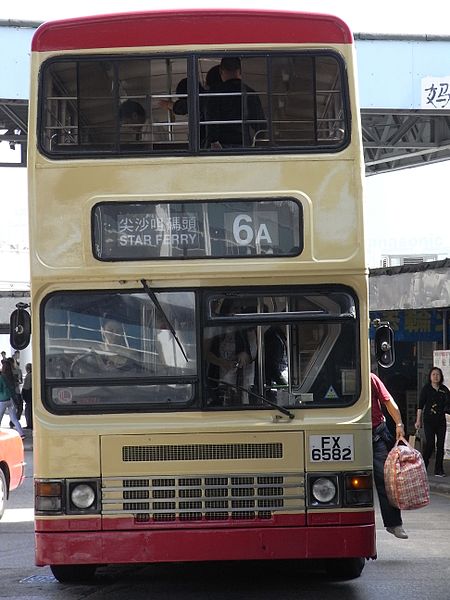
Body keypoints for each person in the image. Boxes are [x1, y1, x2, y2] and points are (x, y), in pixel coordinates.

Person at [371, 372, 408, 539]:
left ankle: (394, 523)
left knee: (386, 479)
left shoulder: (370, 378)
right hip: (347, 436)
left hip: (376, 434)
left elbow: (388, 400)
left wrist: (399, 423)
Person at [206, 57, 266, 148]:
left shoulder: (215, 92)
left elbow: (211, 120)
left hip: (222, 144)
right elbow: (260, 124)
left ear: (221, 71)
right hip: (244, 143)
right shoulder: (250, 92)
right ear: (240, 71)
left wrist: (213, 140)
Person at [207, 300, 257, 405]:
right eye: (235, 309)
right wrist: (221, 362)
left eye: (240, 309)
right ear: (226, 311)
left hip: (239, 382)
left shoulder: (243, 330)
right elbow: (204, 353)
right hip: (216, 381)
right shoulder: (215, 328)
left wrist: (244, 356)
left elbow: (251, 355)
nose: (238, 312)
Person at [415, 366, 449, 477]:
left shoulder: (444, 390)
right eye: (433, 374)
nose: (435, 376)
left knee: (440, 446)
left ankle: (438, 470)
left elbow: (448, 405)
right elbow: (420, 406)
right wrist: (418, 420)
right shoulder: (426, 389)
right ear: (430, 377)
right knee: (429, 444)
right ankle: (423, 465)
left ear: (441, 377)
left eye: (438, 374)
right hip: (428, 421)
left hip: (441, 422)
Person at [0, 359, 25, 438]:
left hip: (2, 400)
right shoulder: (10, 375)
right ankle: (21, 434)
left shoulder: (1, 377)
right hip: (10, 399)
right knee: (14, 418)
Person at [10, 352, 23, 426]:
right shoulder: (17, 371)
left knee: (14, 408)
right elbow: (20, 381)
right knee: (18, 407)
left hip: (14, 391)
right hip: (16, 391)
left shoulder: (8, 372)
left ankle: (13, 421)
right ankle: (14, 421)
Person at [22, 363, 32, 430]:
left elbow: (26, 387)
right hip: (31, 394)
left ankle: (29, 424)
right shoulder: (34, 374)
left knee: (28, 410)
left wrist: (23, 396)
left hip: (28, 394)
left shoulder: (28, 376)